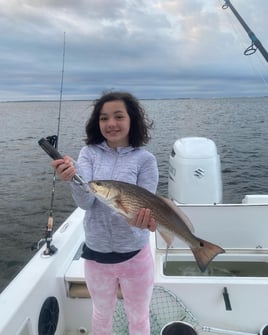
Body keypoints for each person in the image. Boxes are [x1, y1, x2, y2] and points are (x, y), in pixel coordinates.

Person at [51, 91, 159, 335]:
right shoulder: (88, 153)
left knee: (139, 317)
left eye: (118, 116)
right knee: (101, 314)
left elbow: (143, 208)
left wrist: (142, 221)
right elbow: (87, 204)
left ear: (132, 120)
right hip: (97, 257)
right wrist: (73, 179)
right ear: (97, 123)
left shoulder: (146, 160)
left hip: (135, 257)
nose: (111, 123)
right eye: (104, 118)